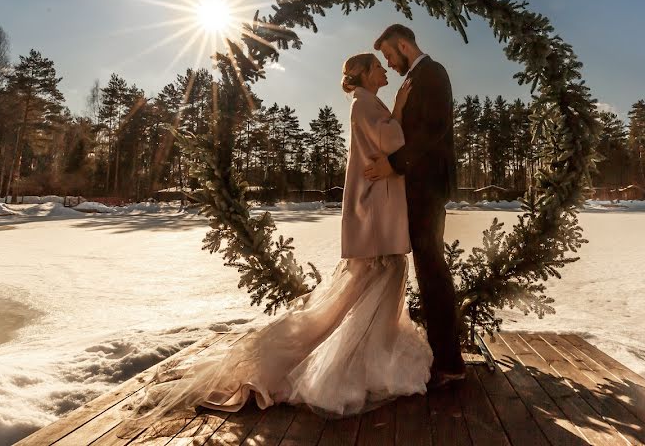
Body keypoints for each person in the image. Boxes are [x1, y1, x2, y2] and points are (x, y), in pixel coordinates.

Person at [118, 52, 431, 437]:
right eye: (378, 66)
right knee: (366, 287)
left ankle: (370, 357)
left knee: (367, 290)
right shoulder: (366, 104)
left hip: (376, 211)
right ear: (365, 75)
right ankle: (346, 364)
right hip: (374, 212)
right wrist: (400, 107)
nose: (385, 70)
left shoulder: (366, 102)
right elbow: (394, 140)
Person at [364, 24, 465, 388]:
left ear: (404, 45)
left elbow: (433, 130)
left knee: (432, 269)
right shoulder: (415, 80)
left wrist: (392, 164)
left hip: (428, 187)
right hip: (416, 187)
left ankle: (450, 363)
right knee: (427, 268)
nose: (389, 64)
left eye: (390, 56)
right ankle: (444, 358)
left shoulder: (432, 73)